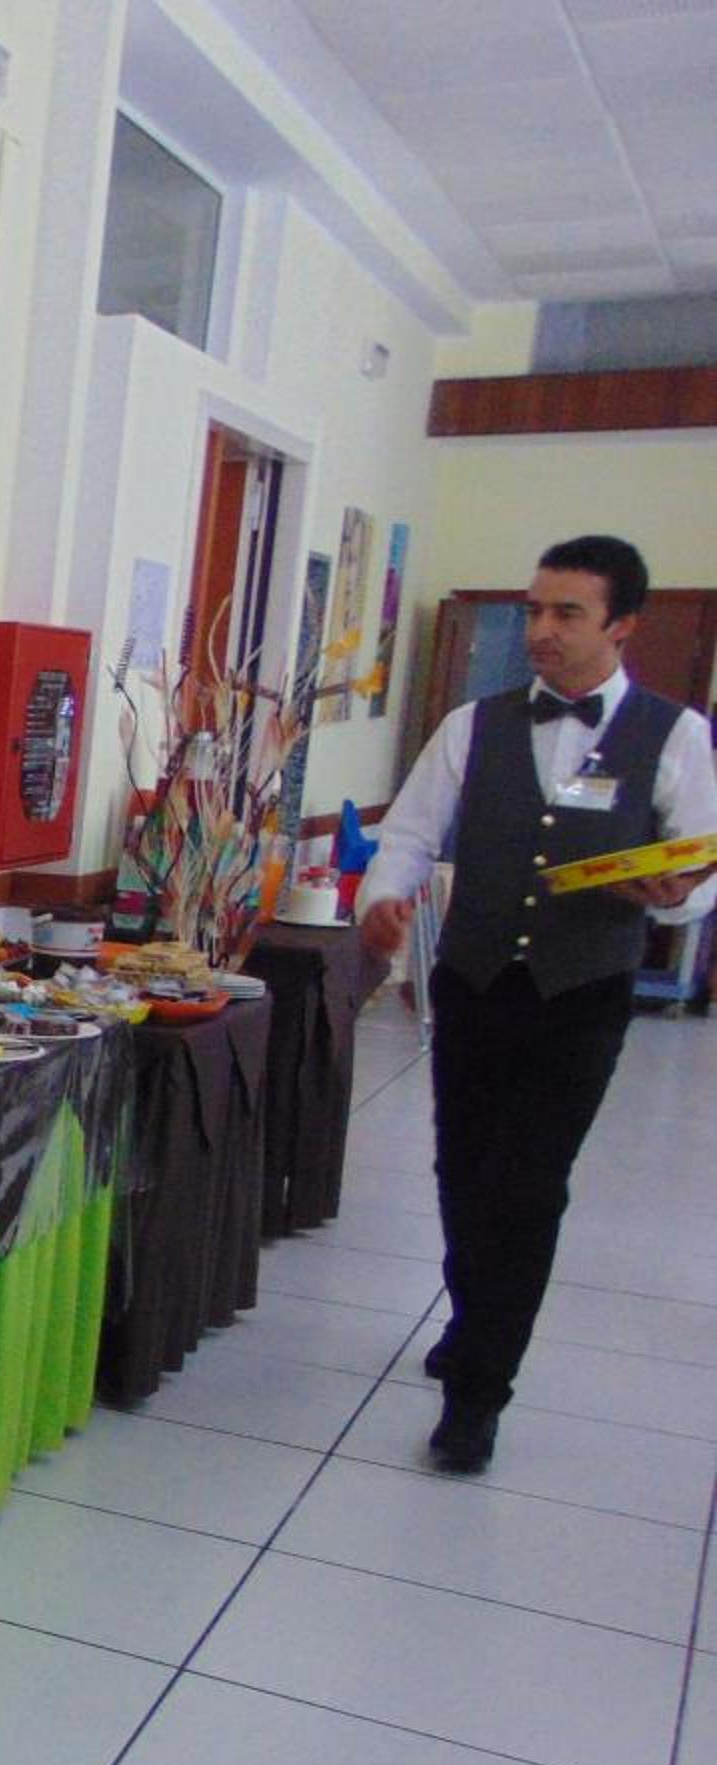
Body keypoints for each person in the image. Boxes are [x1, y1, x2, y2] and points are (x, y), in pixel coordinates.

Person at [357, 535, 717, 1472]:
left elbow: (701, 859)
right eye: (535, 611)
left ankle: (479, 1393)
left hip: (581, 994)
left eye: (567, 613)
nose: (542, 631)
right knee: (463, 1168)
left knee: (527, 1187)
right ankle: (471, 1314)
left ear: (622, 625)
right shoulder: (472, 725)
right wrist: (385, 898)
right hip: (475, 983)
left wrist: (678, 896)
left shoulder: (673, 734)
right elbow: (410, 833)